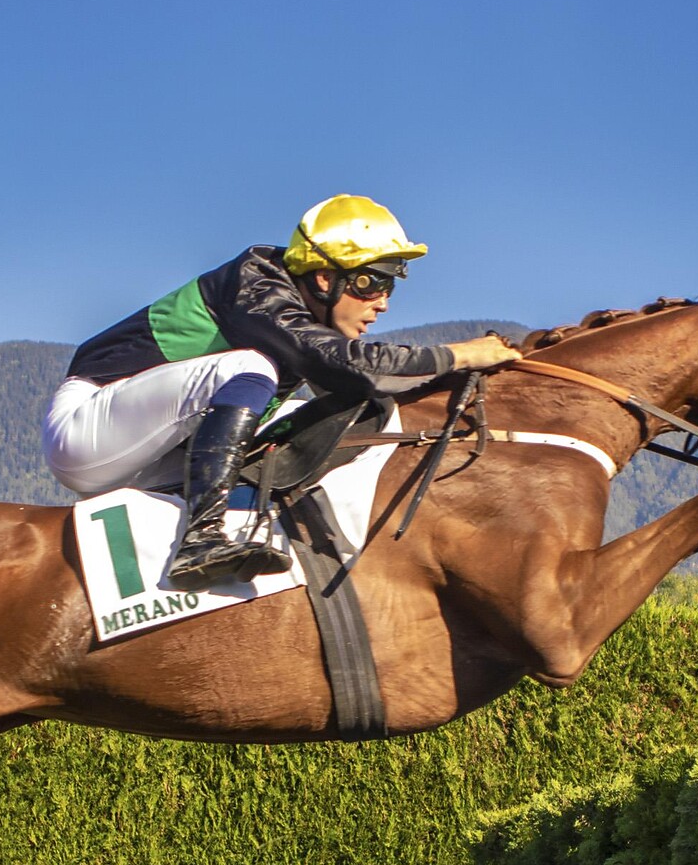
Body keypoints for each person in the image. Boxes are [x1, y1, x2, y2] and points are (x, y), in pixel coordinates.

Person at [43, 195, 521, 590]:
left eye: (390, 286)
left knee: (324, 412)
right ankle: (202, 538)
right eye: (373, 283)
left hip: (154, 446)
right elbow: (348, 364)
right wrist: (461, 355)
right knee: (251, 367)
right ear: (324, 277)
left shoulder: (302, 317)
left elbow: (359, 388)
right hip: (87, 430)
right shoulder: (257, 289)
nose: (383, 302)